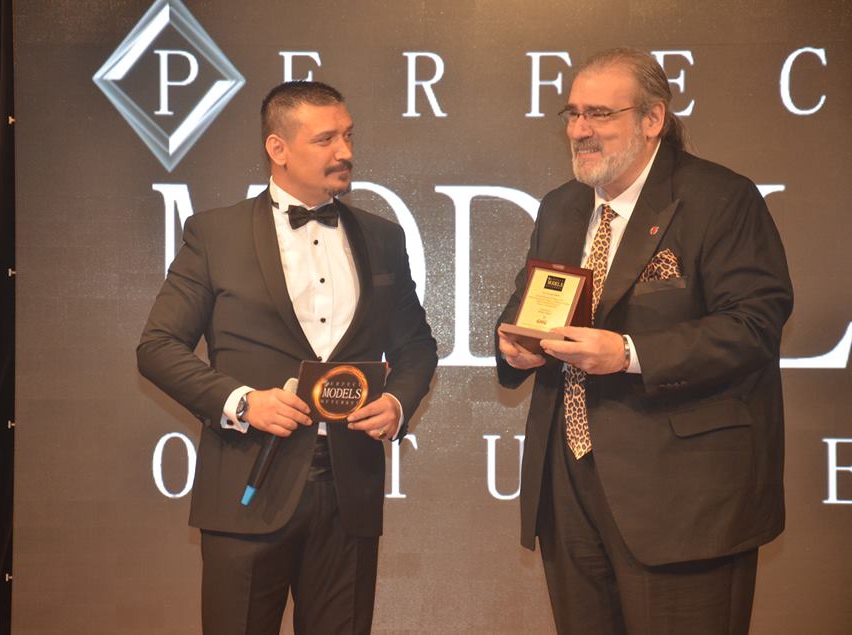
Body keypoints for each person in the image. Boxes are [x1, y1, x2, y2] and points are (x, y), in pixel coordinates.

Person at [496, 48, 792, 634]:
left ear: (653, 118)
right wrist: (516, 347)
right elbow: (527, 306)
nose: (580, 129)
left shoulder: (719, 198)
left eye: (600, 114)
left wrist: (630, 354)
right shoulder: (561, 206)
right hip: (568, 489)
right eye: (573, 113)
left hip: (684, 499)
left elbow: (755, 322)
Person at [138, 81, 437, 634]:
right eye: (326, 139)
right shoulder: (215, 234)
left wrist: (397, 403)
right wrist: (242, 402)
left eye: (348, 136)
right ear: (277, 148)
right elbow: (157, 347)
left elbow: (416, 346)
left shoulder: (383, 238)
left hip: (349, 494)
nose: (344, 151)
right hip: (247, 489)